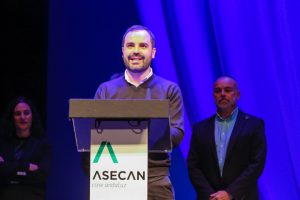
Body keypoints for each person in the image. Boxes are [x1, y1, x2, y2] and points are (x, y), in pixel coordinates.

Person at [82, 25, 184, 199]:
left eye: (142, 46)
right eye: (130, 46)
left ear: (153, 52)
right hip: (114, 179)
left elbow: (177, 134)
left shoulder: (169, 90)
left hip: (154, 182)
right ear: (122, 52)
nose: (136, 51)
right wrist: (147, 131)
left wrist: (130, 134)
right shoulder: (105, 90)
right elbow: (93, 135)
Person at [187, 76, 267, 200]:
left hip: (242, 196)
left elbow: (257, 164)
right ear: (213, 95)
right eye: (218, 91)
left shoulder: (254, 125)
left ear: (238, 94)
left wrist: (230, 193)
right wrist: (211, 195)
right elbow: (193, 166)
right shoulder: (200, 129)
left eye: (228, 90)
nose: (222, 94)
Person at [0, 97, 51, 200]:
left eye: (26, 113)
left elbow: (41, 176)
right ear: (12, 118)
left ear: (32, 116)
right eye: (18, 114)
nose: (22, 117)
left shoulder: (43, 144)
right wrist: (26, 166)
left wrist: (9, 169)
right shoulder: (3, 144)